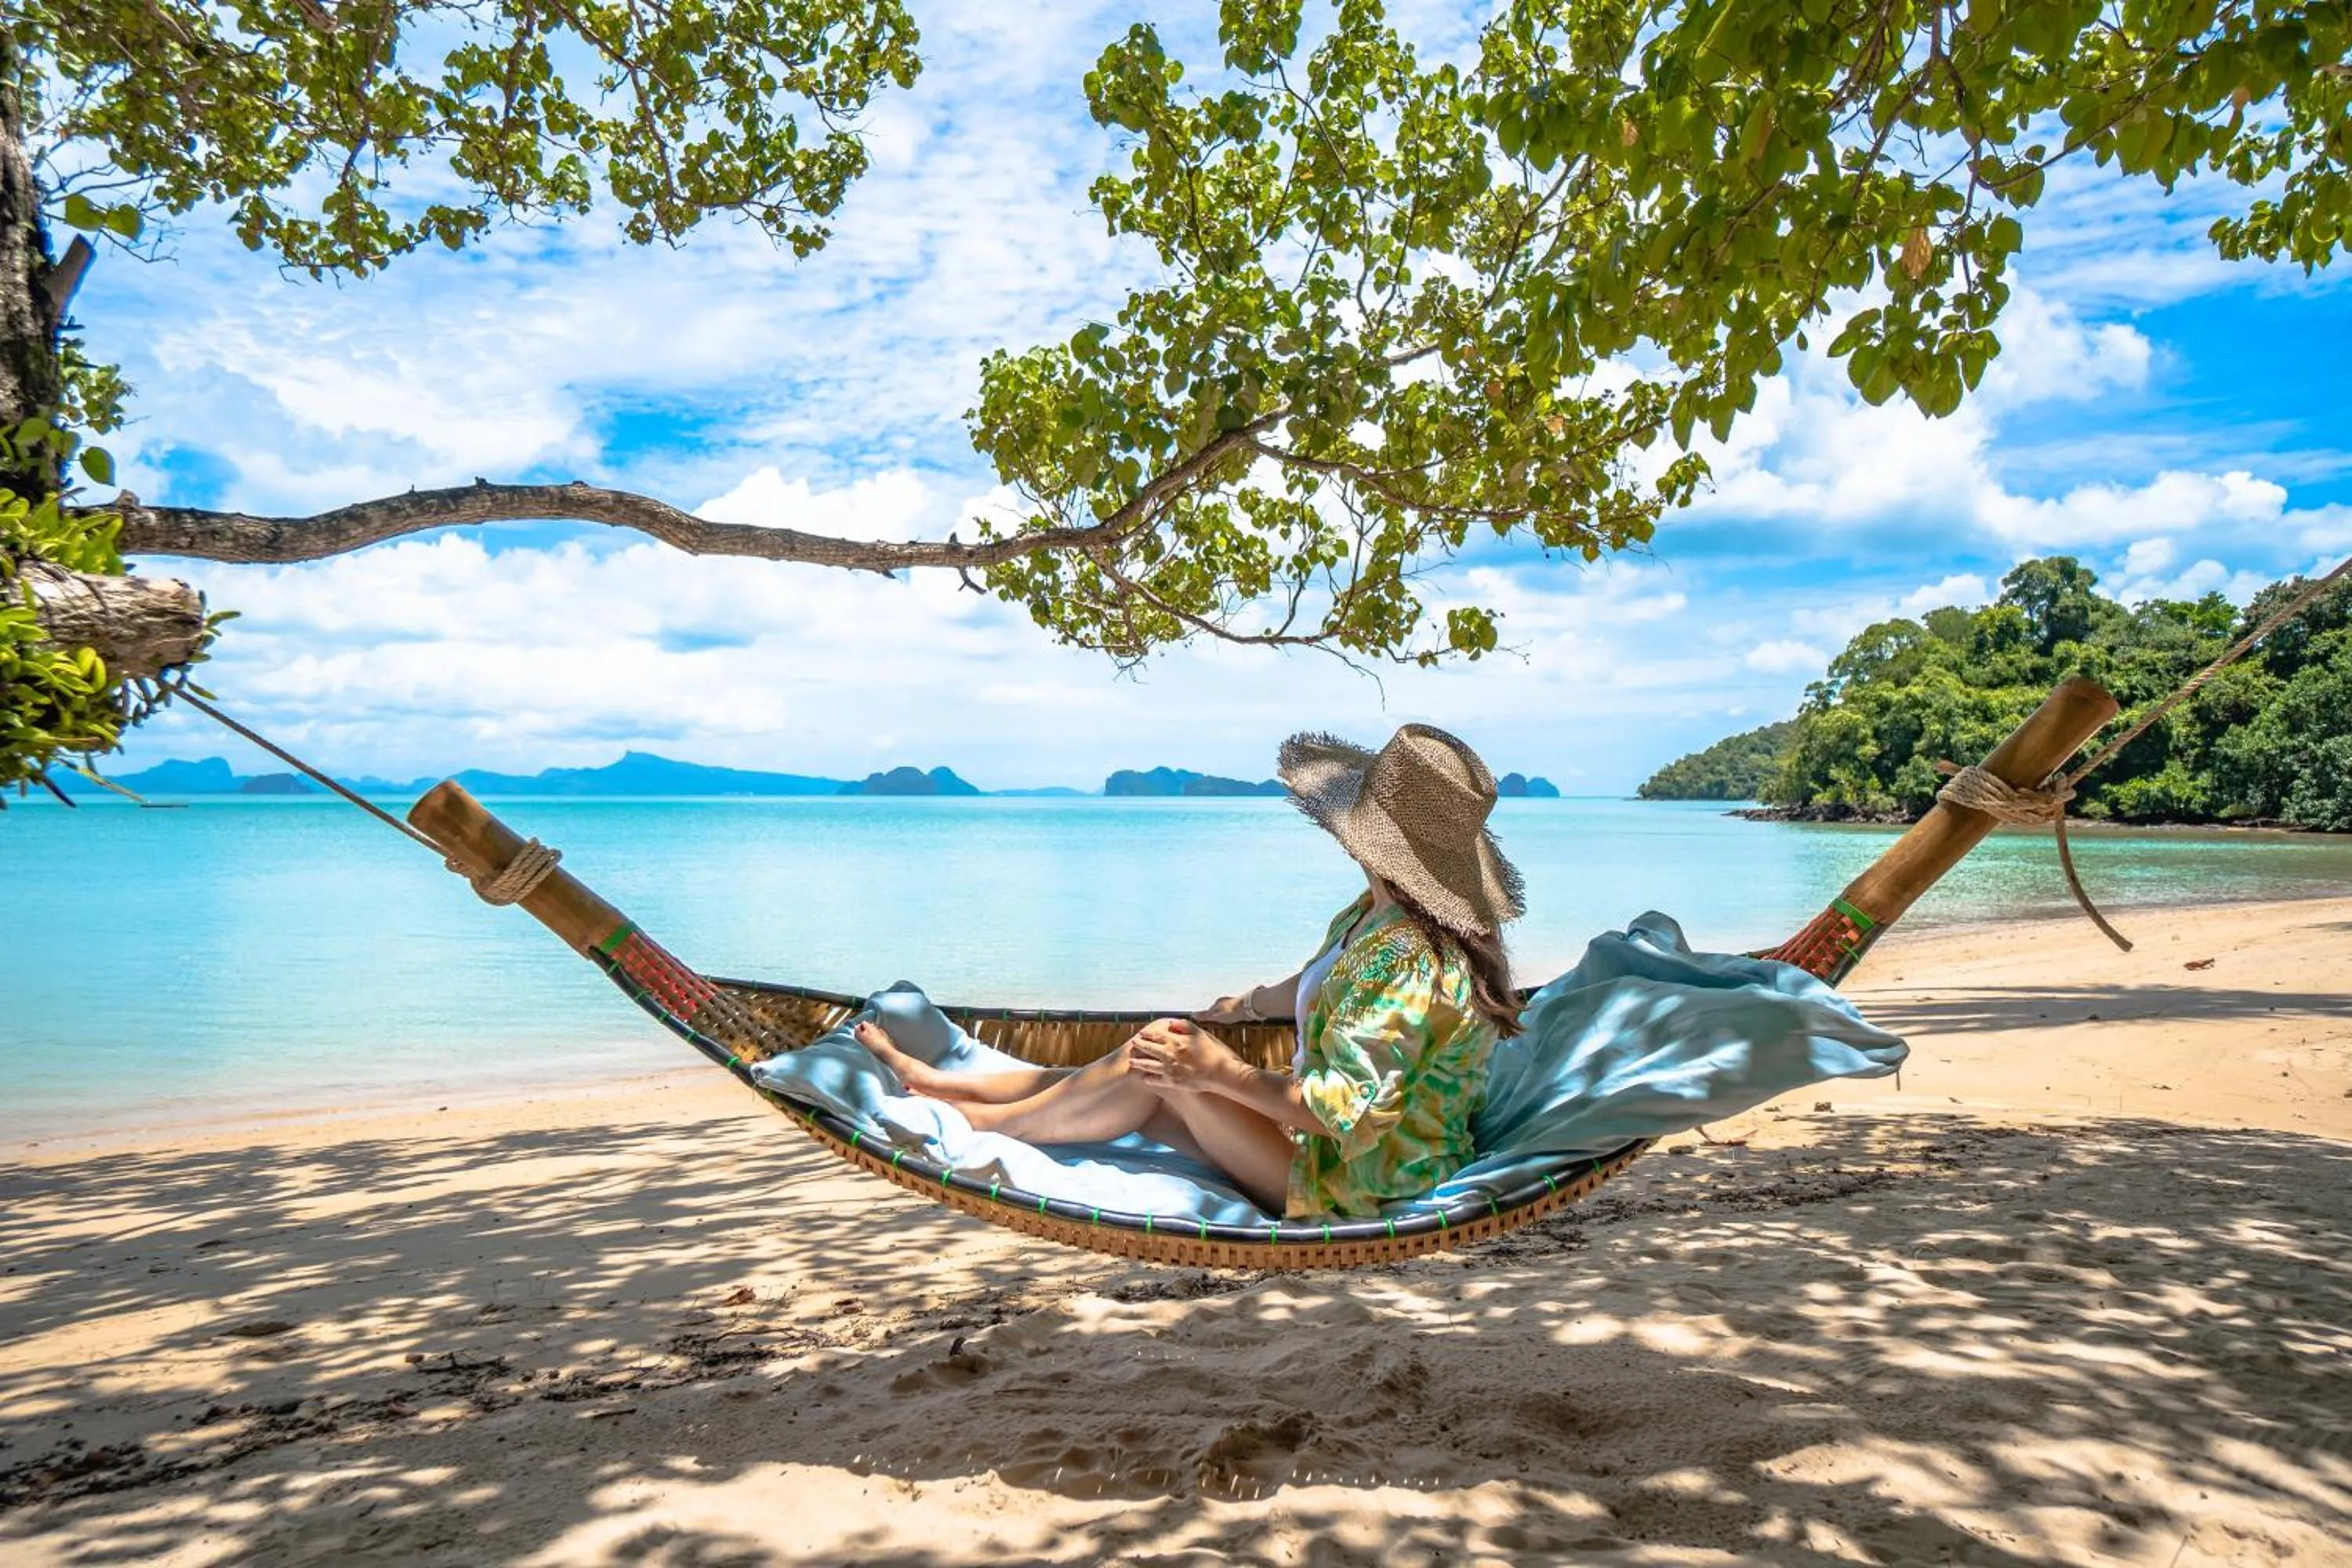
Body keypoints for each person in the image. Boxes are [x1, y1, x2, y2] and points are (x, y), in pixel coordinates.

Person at [851, 723, 1528, 1219]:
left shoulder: (1408, 957)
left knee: (1160, 1057)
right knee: (1154, 1058)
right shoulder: (1378, 913)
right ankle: (950, 1087)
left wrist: (1220, 1073)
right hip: (1322, 1153)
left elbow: (1340, 1112)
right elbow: (1322, 980)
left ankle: (974, 1124)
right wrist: (1246, 1005)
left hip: (1360, 1185)